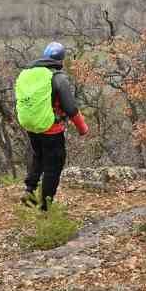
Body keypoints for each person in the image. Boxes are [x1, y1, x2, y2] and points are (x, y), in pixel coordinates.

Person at [18, 41, 89, 211]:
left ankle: (29, 190)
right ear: (61, 59)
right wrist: (82, 128)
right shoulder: (57, 77)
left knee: (39, 156)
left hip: (32, 125)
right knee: (54, 165)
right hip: (51, 129)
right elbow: (70, 108)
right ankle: (45, 208)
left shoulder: (29, 72)